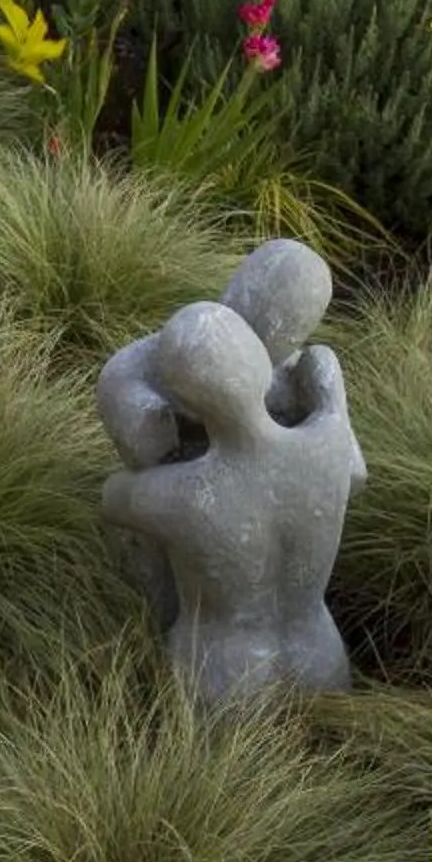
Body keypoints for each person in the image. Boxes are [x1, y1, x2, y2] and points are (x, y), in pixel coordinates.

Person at [99, 298, 357, 707]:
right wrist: (323, 371)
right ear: (261, 366)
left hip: (224, 684)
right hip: (320, 660)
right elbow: (354, 468)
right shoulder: (330, 439)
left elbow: (111, 498)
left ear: (187, 401)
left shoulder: (181, 494)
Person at [95, 239, 359, 627]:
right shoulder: (141, 371)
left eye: (296, 326)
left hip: (224, 636)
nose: (278, 336)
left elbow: (120, 497)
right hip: (196, 573)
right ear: (238, 288)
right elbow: (145, 463)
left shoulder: (294, 375)